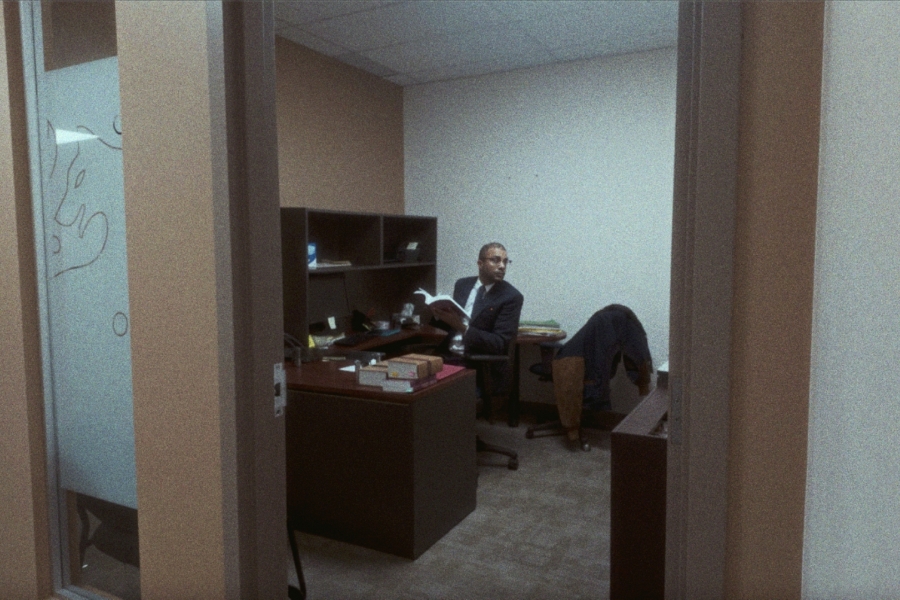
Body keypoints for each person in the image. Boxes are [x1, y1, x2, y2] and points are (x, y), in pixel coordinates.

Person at [431, 242, 524, 359]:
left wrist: (462, 327)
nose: (502, 266)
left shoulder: (511, 296)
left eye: (505, 261)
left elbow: (499, 343)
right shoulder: (462, 285)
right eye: (496, 260)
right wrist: (438, 314)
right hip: (446, 355)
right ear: (480, 264)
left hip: (476, 361)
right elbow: (450, 326)